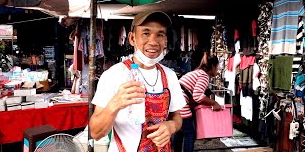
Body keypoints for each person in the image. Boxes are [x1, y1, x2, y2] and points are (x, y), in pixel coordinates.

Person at [89, 11, 186, 152]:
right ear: (132, 38)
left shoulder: (170, 75)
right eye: (146, 33)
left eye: (160, 34)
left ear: (165, 40)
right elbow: (96, 133)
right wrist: (115, 104)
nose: (153, 42)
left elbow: (176, 116)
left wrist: (171, 126)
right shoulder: (113, 75)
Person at [173, 53, 222, 152]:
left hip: (175, 101)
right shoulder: (204, 76)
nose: (217, 71)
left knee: (179, 130)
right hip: (181, 102)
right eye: (217, 67)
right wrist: (214, 103)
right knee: (190, 132)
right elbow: (198, 96)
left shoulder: (198, 72)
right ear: (212, 66)